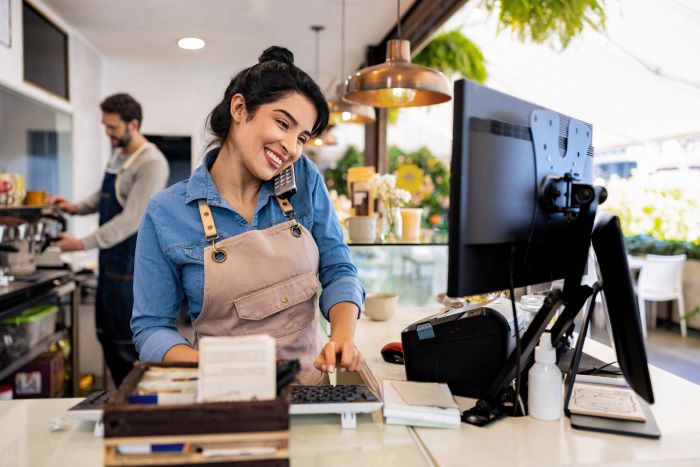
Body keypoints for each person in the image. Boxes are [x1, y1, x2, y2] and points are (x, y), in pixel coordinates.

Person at [130, 46, 365, 384]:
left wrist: (342, 336)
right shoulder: (165, 213)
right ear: (239, 108)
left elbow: (339, 269)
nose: (292, 148)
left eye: (302, 137)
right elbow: (151, 328)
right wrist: (212, 369)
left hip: (307, 395)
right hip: (224, 396)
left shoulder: (304, 180)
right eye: (283, 123)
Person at [50, 93, 169, 386]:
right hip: (109, 265)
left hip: (131, 268)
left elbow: (131, 219)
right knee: (106, 338)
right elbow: (102, 197)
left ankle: (139, 411)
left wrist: (80, 243)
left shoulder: (151, 163)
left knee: (127, 348)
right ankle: (122, 402)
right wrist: (75, 207)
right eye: (106, 127)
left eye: (113, 127)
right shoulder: (119, 155)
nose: (108, 133)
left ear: (133, 124)